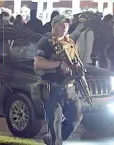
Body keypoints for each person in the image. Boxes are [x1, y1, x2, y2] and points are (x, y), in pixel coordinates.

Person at [34, 15, 83, 145]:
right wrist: (58, 65)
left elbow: (74, 60)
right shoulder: (46, 41)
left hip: (70, 88)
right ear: (54, 25)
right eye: (62, 25)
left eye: (66, 25)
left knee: (76, 118)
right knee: (55, 124)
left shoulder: (69, 42)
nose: (65, 27)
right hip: (53, 89)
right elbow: (38, 64)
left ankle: (51, 139)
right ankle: (55, 140)